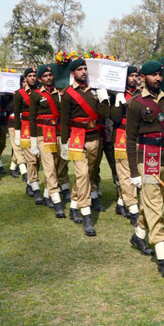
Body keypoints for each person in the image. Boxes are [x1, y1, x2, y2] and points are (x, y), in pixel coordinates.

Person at [125, 60, 164, 276]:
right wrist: (134, 172)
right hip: (148, 161)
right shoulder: (136, 103)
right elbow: (130, 139)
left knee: (152, 201)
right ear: (143, 77)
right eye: (153, 75)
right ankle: (162, 257)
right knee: (155, 206)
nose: (158, 79)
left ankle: (138, 235)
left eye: (159, 75)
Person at [59, 59, 110, 235]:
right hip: (76, 138)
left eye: (85, 69)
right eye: (79, 69)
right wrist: (64, 143)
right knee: (81, 174)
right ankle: (86, 215)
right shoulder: (67, 94)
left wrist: (103, 98)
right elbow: (64, 121)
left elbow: (104, 114)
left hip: (94, 137)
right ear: (72, 73)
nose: (83, 72)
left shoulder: (94, 91)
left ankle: (73, 205)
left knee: (86, 175)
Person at [28, 66, 66, 218]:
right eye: (45, 76)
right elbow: (32, 118)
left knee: (56, 165)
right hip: (42, 135)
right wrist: (32, 140)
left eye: (50, 75)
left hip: (57, 133)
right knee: (49, 167)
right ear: (39, 79)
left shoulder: (61, 93)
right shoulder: (36, 95)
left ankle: (46, 195)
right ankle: (57, 202)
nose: (49, 78)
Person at [111, 65, 141, 225]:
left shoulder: (141, 94)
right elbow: (114, 118)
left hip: (137, 137)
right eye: (132, 76)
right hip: (121, 136)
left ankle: (121, 202)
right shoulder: (119, 94)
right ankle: (133, 209)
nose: (135, 78)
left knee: (134, 171)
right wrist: (117, 101)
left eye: (137, 75)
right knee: (126, 173)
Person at [15, 68, 44, 203]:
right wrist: (17, 133)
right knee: (31, 159)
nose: (32, 78)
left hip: (41, 127)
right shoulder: (19, 94)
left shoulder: (42, 92)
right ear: (25, 78)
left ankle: (30, 183)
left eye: (34, 75)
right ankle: (36, 188)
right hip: (26, 128)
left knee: (39, 160)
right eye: (30, 76)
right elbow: (16, 114)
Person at [8, 78, 28, 180]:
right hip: (13, 122)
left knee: (22, 147)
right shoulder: (15, 94)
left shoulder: (32, 93)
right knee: (18, 147)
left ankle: (12, 168)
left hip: (25, 123)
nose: (25, 83)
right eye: (23, 81)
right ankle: (24, 171)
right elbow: (9, 108)